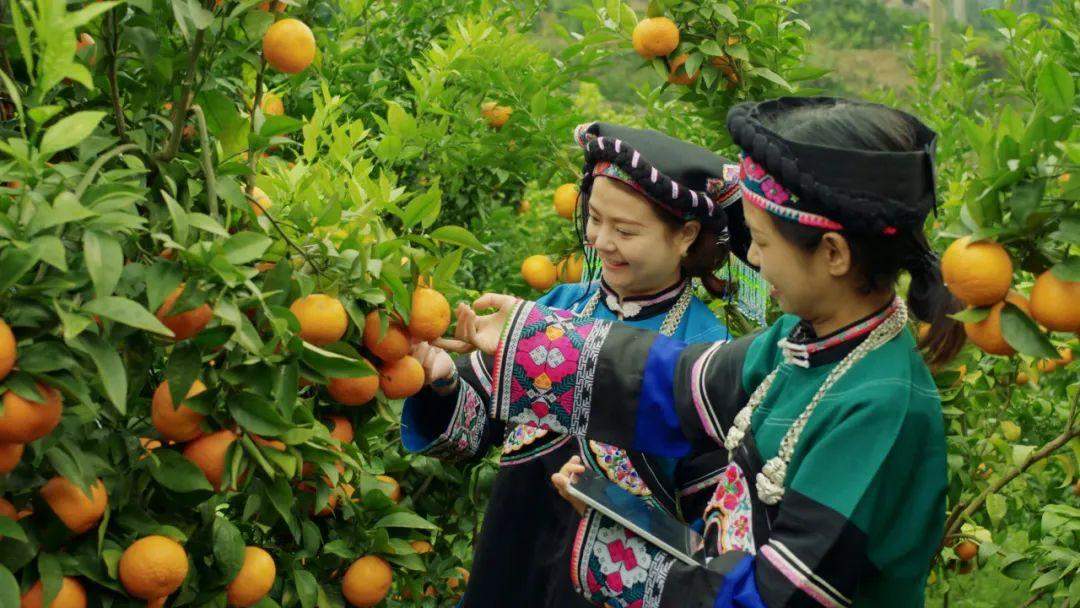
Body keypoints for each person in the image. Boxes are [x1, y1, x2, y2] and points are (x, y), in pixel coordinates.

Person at [454, 97, 965, 607]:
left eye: (761, 241)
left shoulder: (880, 409)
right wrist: (528, 339)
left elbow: (777, 598)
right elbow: (677, 382)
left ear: (833, 253)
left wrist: (617, 556)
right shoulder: (797, 341)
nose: (753, 259)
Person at [400, 122, 747, 607]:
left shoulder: (705, 355)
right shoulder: (559, 308)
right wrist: (441, 384)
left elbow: (706, 535)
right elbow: (473, 433)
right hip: (508, 568)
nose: (601, 241)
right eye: (595, 219)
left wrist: (611, 505)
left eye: (625, 230)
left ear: (686, 235)